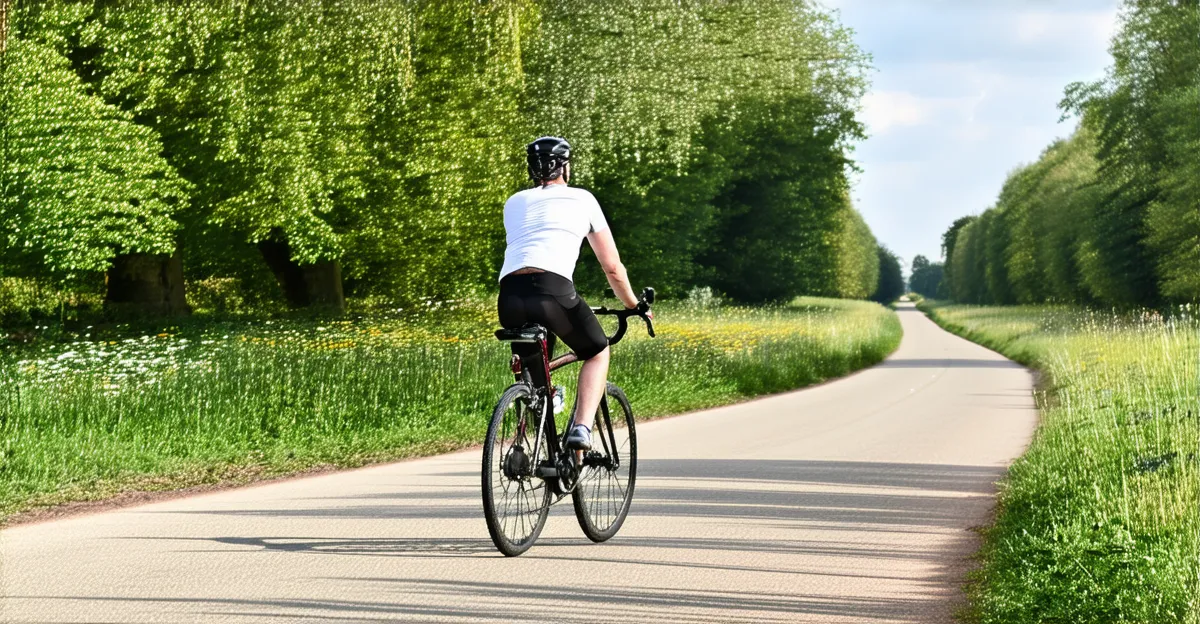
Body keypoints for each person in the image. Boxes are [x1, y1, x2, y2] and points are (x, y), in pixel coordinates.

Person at [497, 136, 645, 451]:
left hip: (509, 296)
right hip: (552, 292)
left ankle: (534, 442)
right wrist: (635, 305)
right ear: (564, 166)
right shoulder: (583, 199)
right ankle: (580, 429)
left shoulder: (514, 202)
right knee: (597, 350)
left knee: (535, 374)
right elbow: (613, 268)